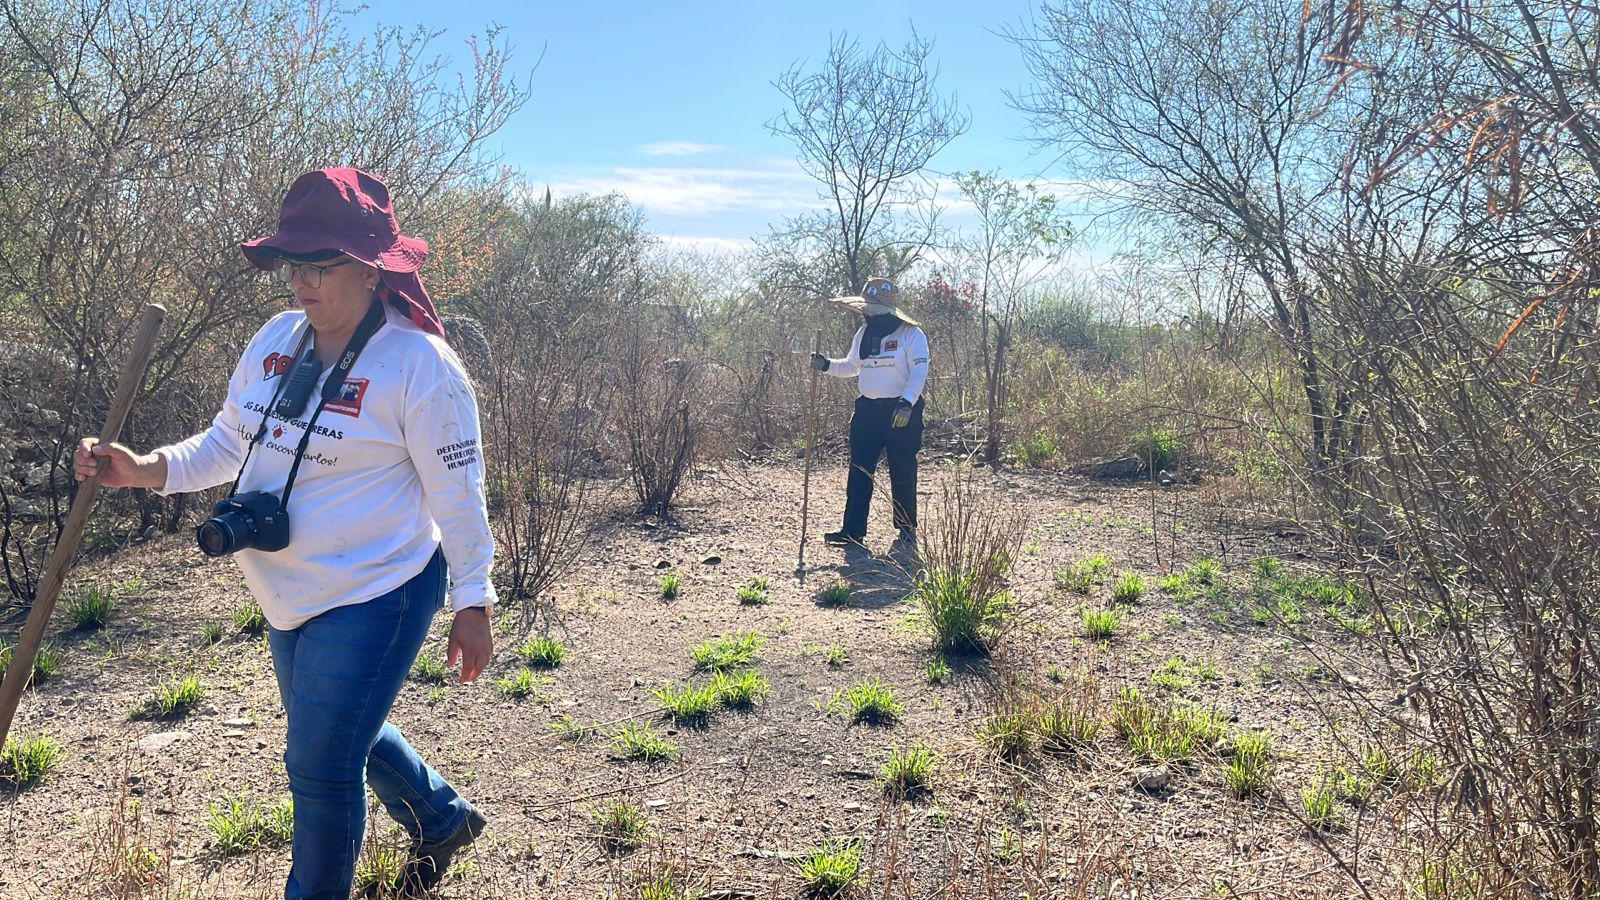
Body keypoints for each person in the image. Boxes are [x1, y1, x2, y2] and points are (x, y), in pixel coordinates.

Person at [73, 167, 495, 899]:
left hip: (378, 586)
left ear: (368, 269)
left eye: (319, 266)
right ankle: (439, 814)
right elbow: (228, 442)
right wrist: (142, 469)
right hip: (288, 592)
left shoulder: (420, 365)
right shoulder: (275, 341)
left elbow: (458, 493)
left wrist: (474, 599)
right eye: (291, 265)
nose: (300, 282)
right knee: (330, 730)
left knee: (320, 765)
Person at [811, 276, 931, 551]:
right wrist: (826, 364)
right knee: (859, 469)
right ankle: (852, 530)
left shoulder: (912, 334)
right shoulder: (863, 334)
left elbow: (919, 370)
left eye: (872, 307)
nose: (868, 312)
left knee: (902, 470)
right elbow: (852, 366)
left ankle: (906, 529)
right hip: (867, 411)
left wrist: (907, 402)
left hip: (901, 411)